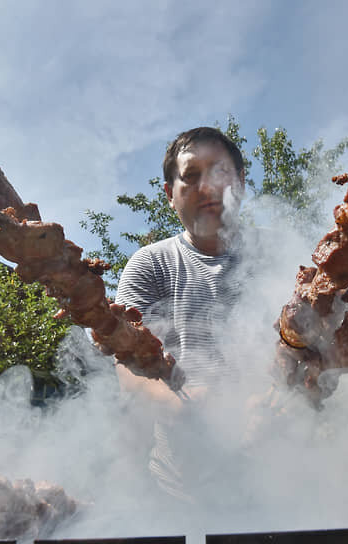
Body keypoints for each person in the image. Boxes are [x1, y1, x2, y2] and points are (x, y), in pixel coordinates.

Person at [112, 126, 250, 502]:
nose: (207, 187)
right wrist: (183, 407)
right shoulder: (150, 264)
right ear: (169, 194)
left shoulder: (282, 258)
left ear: (240, 181)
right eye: (190, 177)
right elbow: (125, 361)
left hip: (286, 477)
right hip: (180, 492)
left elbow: (312, 349)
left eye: (220, 172)